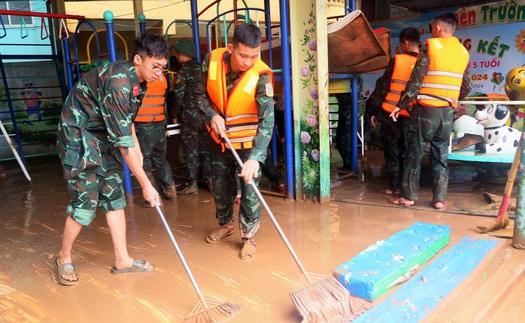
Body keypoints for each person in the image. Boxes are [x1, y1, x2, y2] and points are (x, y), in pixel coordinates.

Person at [54, 33, 170, 286]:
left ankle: (123, 259)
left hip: (103, 135)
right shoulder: (118, 83)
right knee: (85, 201)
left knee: (113, 194)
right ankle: (63, 258)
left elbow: (126, 126)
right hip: (78, 137)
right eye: (155, 66)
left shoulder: (140, 82)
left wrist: (137, 153)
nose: (159, 73)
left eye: (162, 68)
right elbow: (122, 141)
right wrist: (146, 184)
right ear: (138, 59)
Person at [195, 23, 274, 260]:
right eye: (243, 56)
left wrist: (256, 159)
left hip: (249, 145)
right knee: (220, 186)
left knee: (250, 191)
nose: (248, 62)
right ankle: (226, 224)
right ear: (231, 49)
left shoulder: (261, 75)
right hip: (219, 141)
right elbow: (197, 94)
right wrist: (211, 115)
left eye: (254, 56)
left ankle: (249, 237)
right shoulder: (213, 61)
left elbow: (267, 121)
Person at [390, 13, 472, 209]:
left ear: (438, 29)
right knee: (440, 155)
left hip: (426, 109)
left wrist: (400, 105)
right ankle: (439, 199)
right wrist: (453, 98)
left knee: (414, 152)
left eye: (433, 27)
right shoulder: (463, 52)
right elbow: (467, 84)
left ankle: (408, 196)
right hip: (447, 112)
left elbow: (417, 78)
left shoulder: (431, 46)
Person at [366, 27, 420, 196]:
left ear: (405, 43)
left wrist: (372, 111)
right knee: (408, 152)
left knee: (392, 152)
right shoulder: (424, 62)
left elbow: (383, 88)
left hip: (391, 114)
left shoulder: (397, 60)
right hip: (413, 115)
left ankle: (394, 186)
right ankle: (406, 187)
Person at [171, 39, 212, 195]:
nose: (176, 57)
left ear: (183, 55)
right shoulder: (204, 69)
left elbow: (178, 95)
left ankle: (192, 184)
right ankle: (209, 179)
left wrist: (175, 115)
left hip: (191, 116)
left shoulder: (183, 72)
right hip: (207, 114)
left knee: (191, 149)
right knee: (206, 149)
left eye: (177, 54)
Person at [134, 72, 177, 206]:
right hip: (159, 124)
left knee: (144, 162)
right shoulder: (162, 77)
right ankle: (170, 190)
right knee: (160, 159)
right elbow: (163, 103)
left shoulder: (141, 77)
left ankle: (151, 198)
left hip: (143, 125)